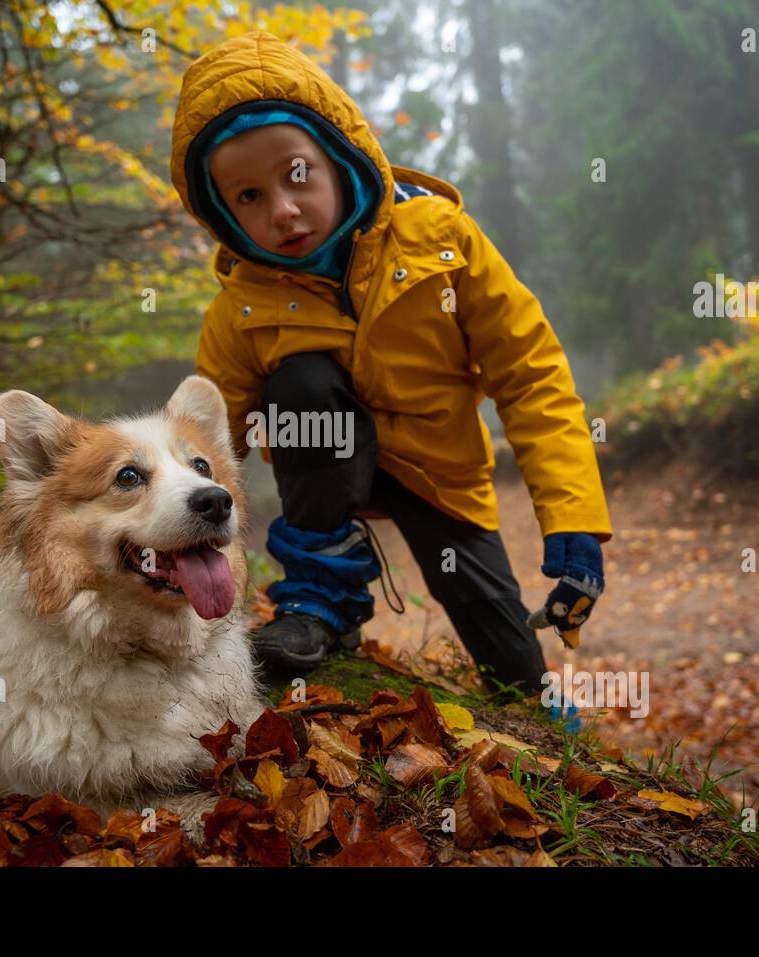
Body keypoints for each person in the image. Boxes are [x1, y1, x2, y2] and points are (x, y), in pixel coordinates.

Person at [168, 31, 613, 708]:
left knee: (505, 648)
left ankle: (544, 710)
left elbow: (531, 376)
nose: (282, 210)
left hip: (441, 472)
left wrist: (573, 517)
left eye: (295, 175)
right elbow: (200, 446)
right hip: (324, 470)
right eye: (248, 197)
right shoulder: (240, 308)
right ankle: (320, 597)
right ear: (221, 214)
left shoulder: (443, 240)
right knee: (302, 382)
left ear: (339, 156)